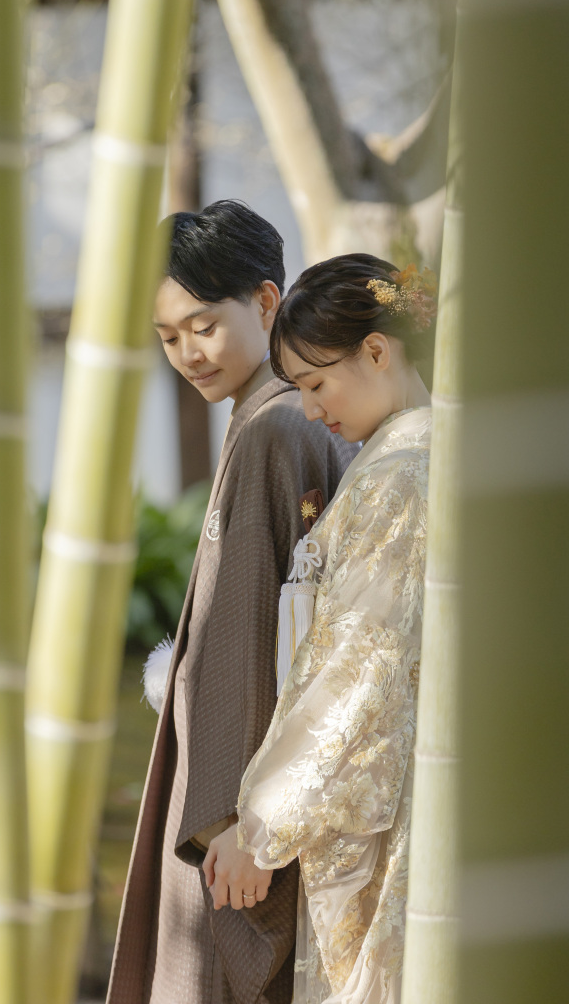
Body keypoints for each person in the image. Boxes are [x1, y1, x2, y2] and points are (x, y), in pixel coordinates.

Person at [106, 202, 356, 1004]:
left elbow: (251, 637)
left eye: (202, 325)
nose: (186, 353)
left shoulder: (278, 429)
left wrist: (233, 821)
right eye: (168, 336)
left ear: (267, 301)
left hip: (236, 803)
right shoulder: (284, 415)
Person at [202, 254, 436, 1004]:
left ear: (376, 350)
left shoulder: (402, 474)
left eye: (315, 383)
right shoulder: (397, 458)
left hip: (381, 807)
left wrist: (264, 820)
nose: (309, 410)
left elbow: (356, 672)